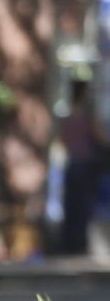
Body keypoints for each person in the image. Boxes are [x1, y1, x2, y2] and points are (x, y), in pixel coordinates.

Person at [60, 78, 105, 255]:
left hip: (72, 163)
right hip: (85, 164)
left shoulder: (67, 116)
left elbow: (62, 141)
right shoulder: (87, 116)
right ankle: (78, 244)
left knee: (71, 205)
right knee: (83, 206)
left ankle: (70, 243)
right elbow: (100, 137)